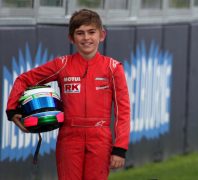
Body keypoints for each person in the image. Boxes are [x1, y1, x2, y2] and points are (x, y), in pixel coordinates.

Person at [6, 9, 130, 180]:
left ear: (102, 35)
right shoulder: (62, 64)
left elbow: (123, 111)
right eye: (80, 33)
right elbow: (23, 79)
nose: (86, 38)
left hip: (100, 138)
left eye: (91, 32)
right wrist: (12, 111)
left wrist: (120, 148)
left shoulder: (113, 68)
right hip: (69, 137)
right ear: (71, 38)